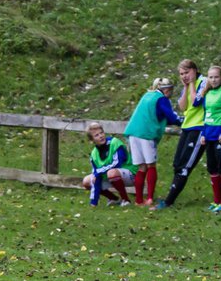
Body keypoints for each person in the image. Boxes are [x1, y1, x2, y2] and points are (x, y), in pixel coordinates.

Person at [156, 59, 207, 209]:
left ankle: (168, 202)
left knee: (185, 166)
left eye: (187, 72)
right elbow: (183, 106)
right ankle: (169, 199)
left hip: (199, 128)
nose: (184, 76)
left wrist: (191, 84)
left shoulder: (204, 82)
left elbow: (196, 101)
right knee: (177, 163)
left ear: (194, 70)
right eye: (181, 74)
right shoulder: (186, 86)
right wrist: (186, 86)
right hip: (187, 127)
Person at [123, 77, 182, 206]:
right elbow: (170, 116)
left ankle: (139, 200)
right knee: (151, 165)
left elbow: (159, 114)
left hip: (133, 132)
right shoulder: (161, 99)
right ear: (165, 89)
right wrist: (183, 121)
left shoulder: (147, 95)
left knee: (141, 167)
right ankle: (149, 198)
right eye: (170, 89)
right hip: (146, 133)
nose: (171, 92)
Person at [82, 122, 135, 207]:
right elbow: (96, 176)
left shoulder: (115, 142)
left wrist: (99, 172)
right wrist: (93, 202)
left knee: (112, 173)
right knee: (87, 181)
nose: (101, 136)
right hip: (109, 176)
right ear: (92, 140)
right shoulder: (94, 154)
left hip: (129, 174)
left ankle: (125, 200)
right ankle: (113, 199)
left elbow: (117, 163)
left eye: (101, 133)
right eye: (96, 135)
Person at [196, 65, 221, 211]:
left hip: (220, 137)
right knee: (212, 168)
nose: (213, 80)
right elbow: (206, 115)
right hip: (209, 136)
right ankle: (216, 201)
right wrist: (203, 133)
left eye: (216, 77)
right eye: (211, 77)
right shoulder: (207, 93)